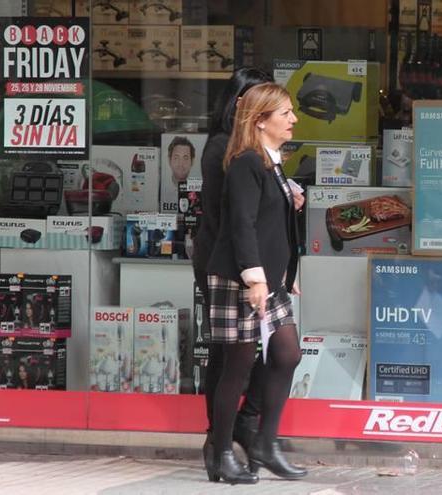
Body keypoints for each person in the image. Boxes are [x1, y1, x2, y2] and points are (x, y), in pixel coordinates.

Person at [205, 82, 305, 484]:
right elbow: (242, 225)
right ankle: (221, 453)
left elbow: (267, 223)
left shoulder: (271, 161)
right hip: (242, 279)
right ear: (261, 121)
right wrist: (255, 279)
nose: (293, 119)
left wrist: (284, 272)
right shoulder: (247, 161)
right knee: (238, 367)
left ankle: (265, 443)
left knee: (287, 355)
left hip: (269, 278)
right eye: (285, 114)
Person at [191, 67, 277, 480]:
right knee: (230, 354)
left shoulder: (250, 149)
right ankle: (219, 442)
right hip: (226, 264)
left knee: (265, 350)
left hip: (252, 263)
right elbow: (237, 217)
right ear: (242, 102)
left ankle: (235, 432)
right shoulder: (224, 150)